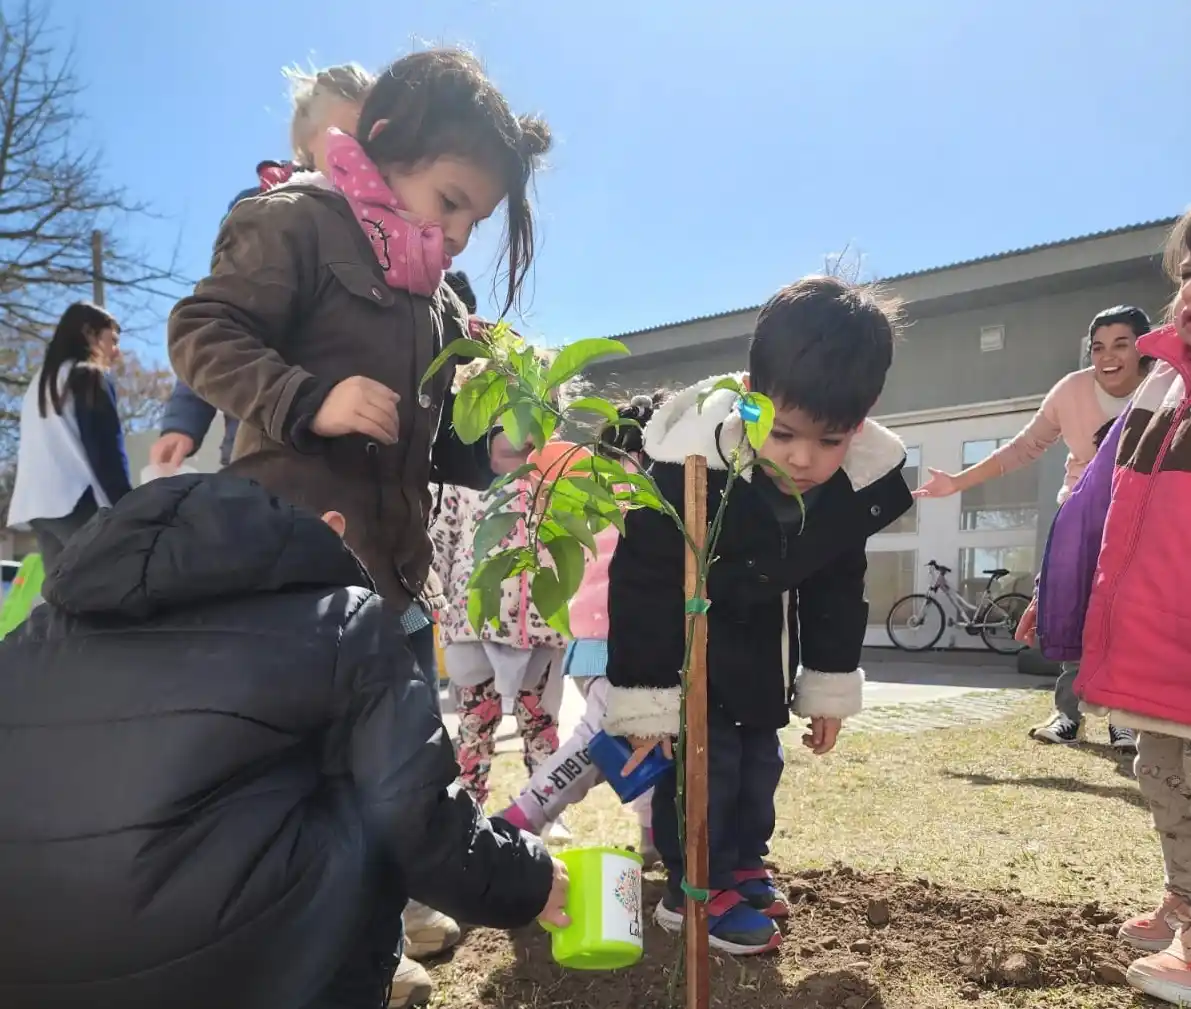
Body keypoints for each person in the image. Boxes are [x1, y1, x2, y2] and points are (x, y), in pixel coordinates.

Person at [167, 50, 549, 1002]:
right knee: (284, 780)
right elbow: (201, 332)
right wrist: (309, 396)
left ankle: (372, 957)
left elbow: (428, 441)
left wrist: (484, 455)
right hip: (286, 569)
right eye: (450, 200)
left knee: (382, 779)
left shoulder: (437, 301)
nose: (457, 233)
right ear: (386, 151)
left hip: (387, 580)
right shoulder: (293, 220)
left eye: (475, 220)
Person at [0, 473, 567, 1009]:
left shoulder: (27, 639)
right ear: (323, 530)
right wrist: (528, 878)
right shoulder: (340, 620)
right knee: (362, 800)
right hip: (244, 979)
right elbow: (414, 817)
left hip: (29, 970)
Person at [604, 277, 913, 956]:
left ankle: (741, 862)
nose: (803, 459)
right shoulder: (685, 467)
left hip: (761, 660)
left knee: (755, 767)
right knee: (703, 773)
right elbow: (643, 584)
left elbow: (836, 583)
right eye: (783, 432)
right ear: (748, 394)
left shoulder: (845, 490)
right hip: (690, 660)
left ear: (861, 422)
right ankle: (691, 888)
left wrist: (827, 683)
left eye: (829, 440)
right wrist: (647, 704)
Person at [915, 304, 1152, 750]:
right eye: (1098, 347)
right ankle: (1068, 714)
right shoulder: (1072, 392)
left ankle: (1124, 719)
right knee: (1072, 610)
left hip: (1142, 515)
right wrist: (957, 483)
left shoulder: (1163, 388)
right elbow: (1023, 448)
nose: (1108, 356)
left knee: (1128, 614)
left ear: (1143, 348)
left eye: (1122, 344)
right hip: (1082, 514)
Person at [1059, 210, 1191, 1005]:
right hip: (1153, 627)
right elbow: (1095, 506)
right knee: (1159, 769)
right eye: (1187, 275)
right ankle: (1182, 895)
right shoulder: (1160, 383)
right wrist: (1062, 593)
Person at [151, 63, 374, 472]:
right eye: (345, 139)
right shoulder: (269, 211)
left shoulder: (382, 224)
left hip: (359, 448)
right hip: (265, 440)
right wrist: (183, 423)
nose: (358, 157)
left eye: (370, 145)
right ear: (308, 141)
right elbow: (225, 319)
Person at [499, 396, 664, 863]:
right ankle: (524, 815)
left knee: (644, 736)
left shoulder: (596, 492)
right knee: (601, 737)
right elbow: (545, 464)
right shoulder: (633, 496)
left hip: (604, 641)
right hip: (609, 641)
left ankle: (654, 837)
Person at [430, 469, 565, 808]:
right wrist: (436, 597)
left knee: (542, 724)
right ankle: (468, 806)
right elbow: (441, 540)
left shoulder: (555, 474)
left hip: (538, 626)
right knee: (475, 729)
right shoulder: (461, 479)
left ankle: (544, 805)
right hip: (473, 624)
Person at [7, 303, 130, 566]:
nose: (116, 352)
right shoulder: (88, 375)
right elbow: (106, 451)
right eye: (113, 340)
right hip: (76, 500)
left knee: (64, 595)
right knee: (111, 582)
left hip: (36, 505)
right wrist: (129, 506)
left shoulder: (40, 382)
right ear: (89, 334)